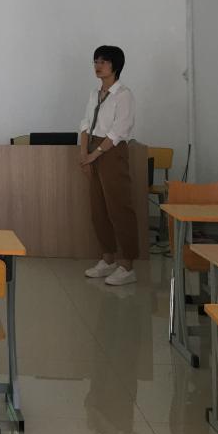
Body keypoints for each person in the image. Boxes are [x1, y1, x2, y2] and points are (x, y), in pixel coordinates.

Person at [80, 45, 138, 286]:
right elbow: (85, 123)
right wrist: (84, 153)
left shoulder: (123, 95)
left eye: (103, 62)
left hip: (111, 151)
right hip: (93, 149)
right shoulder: (94, 93)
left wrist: (93, 155)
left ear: (115, 65)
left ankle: (127, 265)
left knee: (119, 207)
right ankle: (108, 259)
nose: (98, 66)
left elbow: (118, 131)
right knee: (98, 209)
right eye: (96, 61)